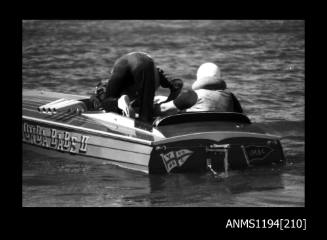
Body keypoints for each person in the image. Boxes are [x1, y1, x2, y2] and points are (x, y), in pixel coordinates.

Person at [89, 52, 183, 123]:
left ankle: (118, 102)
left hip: (124, 64)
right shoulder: (154, 76)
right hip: (144, 61)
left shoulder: (145, 81)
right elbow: (177, 84)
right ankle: (119, 102)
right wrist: (170, 101)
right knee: (145, 117)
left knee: (108, 102)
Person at [154, 62, 243, 116]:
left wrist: (148, 106)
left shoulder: (192, 96)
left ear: (199, 77)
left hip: (193, 134)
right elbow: (240, 117)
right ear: (219, 76)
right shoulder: (230, 96)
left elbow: (164, 109)